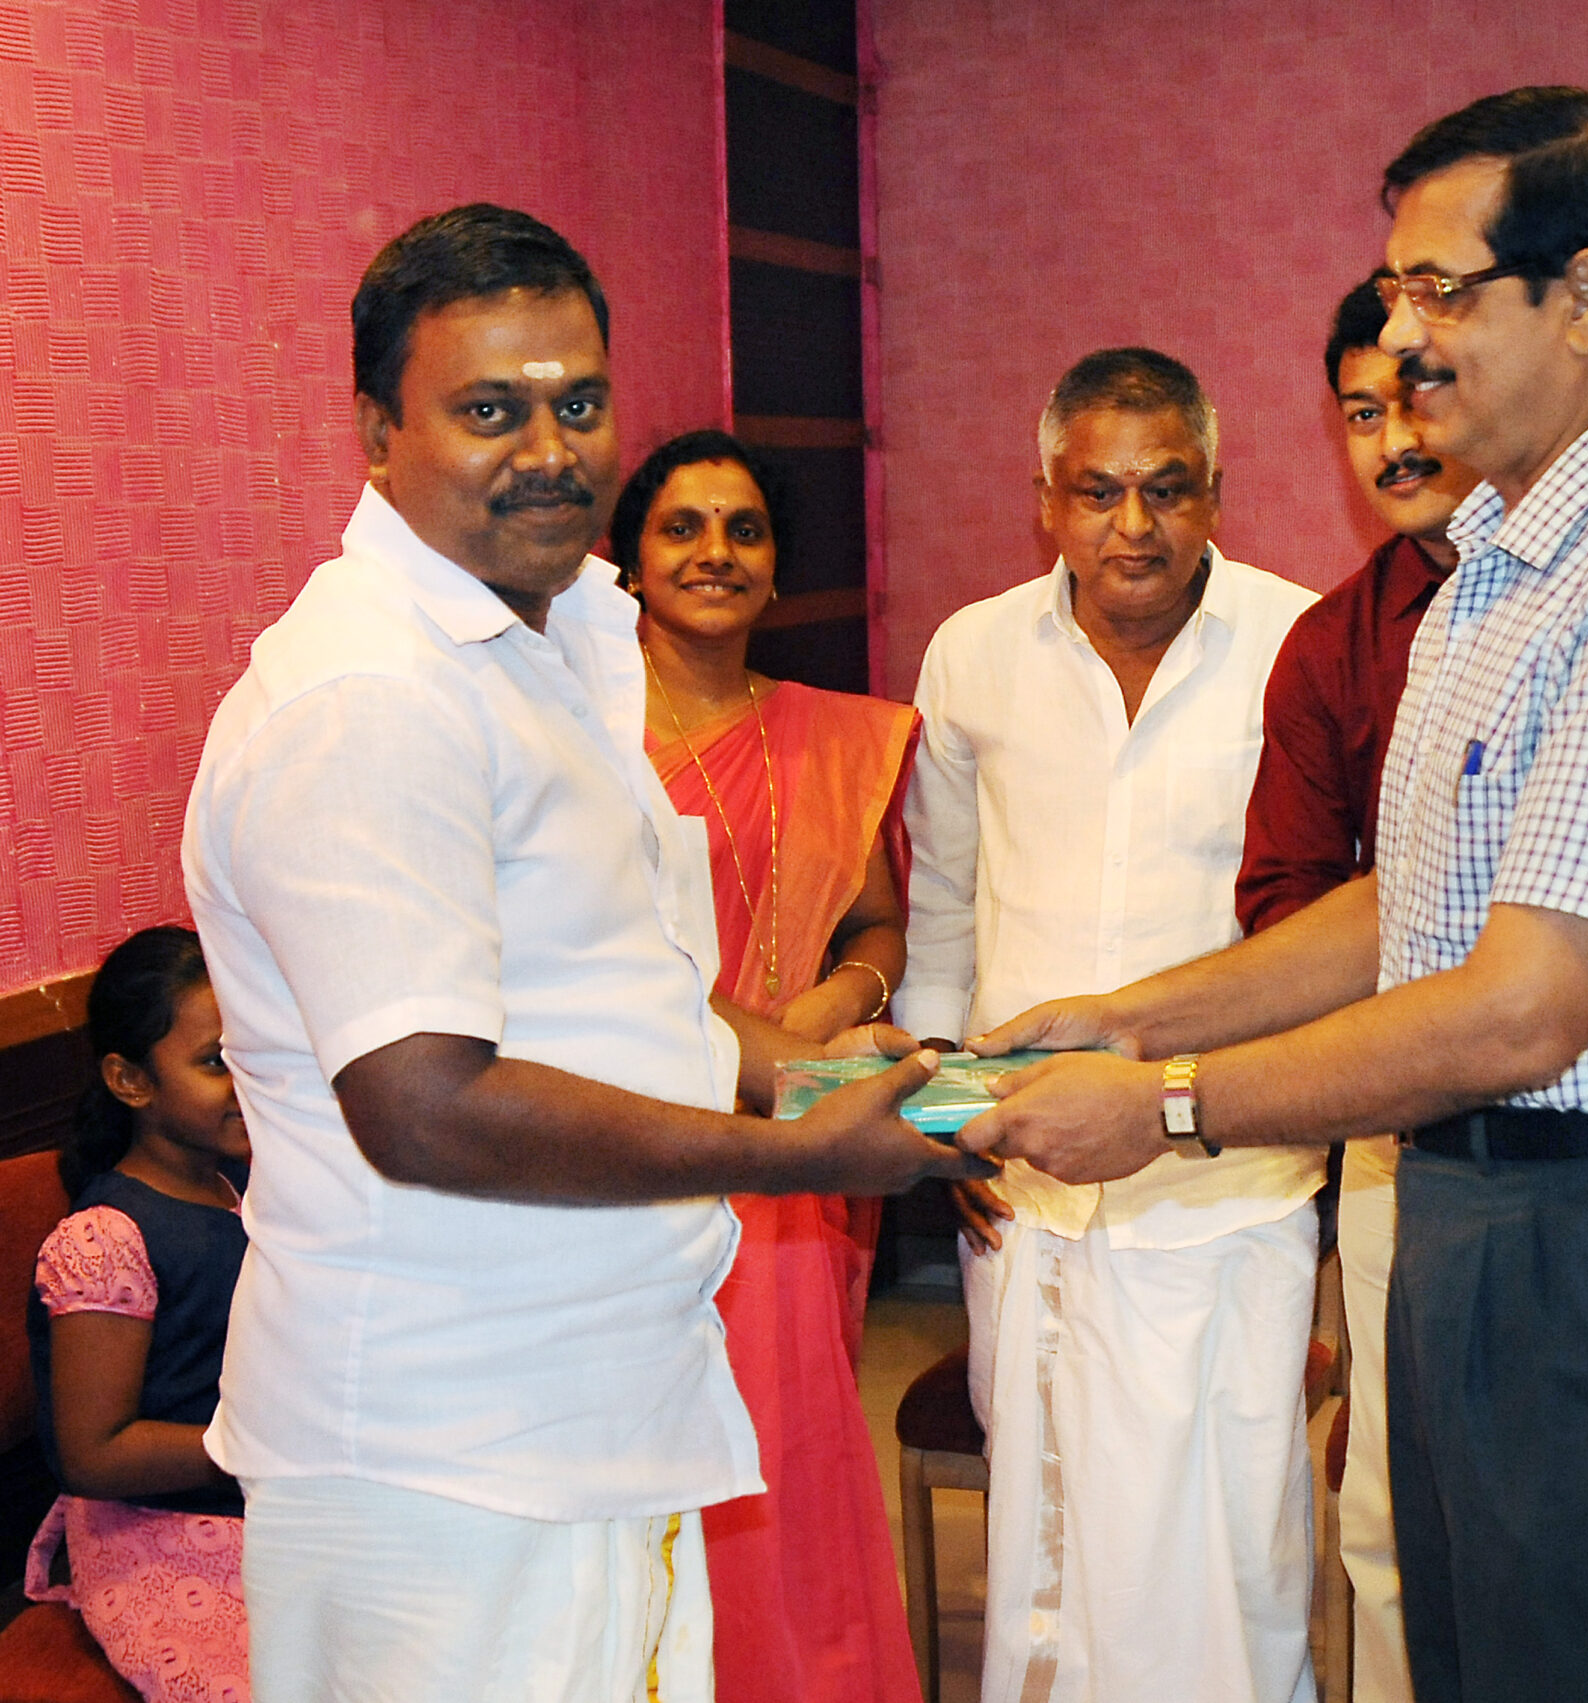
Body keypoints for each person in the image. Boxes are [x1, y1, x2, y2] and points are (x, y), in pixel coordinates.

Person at [964, 89, 1588, 1703]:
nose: (1399, 335)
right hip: (1480, 1199)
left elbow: (1525, 1005)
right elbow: (1406, 905)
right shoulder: (1495, 566)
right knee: (1468, 1652)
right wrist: (1128, 1016)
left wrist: (1165, 1104)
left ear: (1583, 297)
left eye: (1438, 290)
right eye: (1394, 291)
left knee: (1587, 1668)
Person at [180, 203, 981, 1703]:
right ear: (377, 433)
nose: (548, 449)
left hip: (588, 1403)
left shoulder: (554, 640)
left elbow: (620, 990)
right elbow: (422, 1102)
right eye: (489, 410)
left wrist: (802, 1068)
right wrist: (797, 1156)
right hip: (443, 1454)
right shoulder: (370, 695)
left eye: (579, 402)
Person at [897, 346, 1323, 1703]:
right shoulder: (972, 653)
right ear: (1047, 499)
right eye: (1097, 492)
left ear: (1217, 494)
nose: (1132, 525)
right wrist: (938, 1119)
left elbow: (1333, 923)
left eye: (1167, 488)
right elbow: (943, 909)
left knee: (1225, 1551)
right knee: (1047, 1540)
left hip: (1228, 1178)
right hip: (1025, 1188)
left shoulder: (1297, 645)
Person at [611, 429, 925, 1703]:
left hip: (794, 1150)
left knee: (783, 1450)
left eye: (743, 529)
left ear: (777, 566)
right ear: (629, 561)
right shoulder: (581, 732)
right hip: (629, 1137)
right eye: (681, 526)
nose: (715, 552)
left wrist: (840, 999)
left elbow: (880, 924)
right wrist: (777, 1053)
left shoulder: (827, 738)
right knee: (644, 1462)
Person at [1235, 275, 1476, 1703]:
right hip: (1403, 1136)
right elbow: (1285, 896)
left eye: (1414, 398)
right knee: (1391, 1509)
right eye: (1358, 413)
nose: (1391, 439)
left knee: (1567, 1525)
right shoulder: (1335, 644)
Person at [24, 926, 251, 1703]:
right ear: (129, 1080)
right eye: (216, 1061)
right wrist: (269, 1445)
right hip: (161, 1527)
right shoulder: (106, 1237)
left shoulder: (240, 1184)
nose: (249, 1078)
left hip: (266, 1490)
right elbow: (96, 1454)